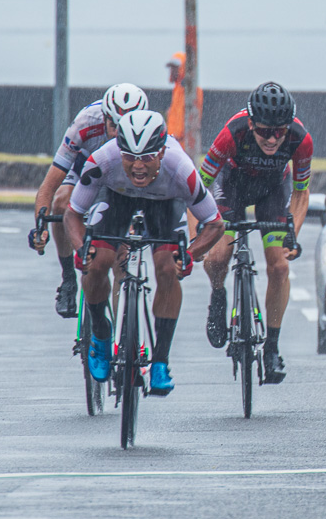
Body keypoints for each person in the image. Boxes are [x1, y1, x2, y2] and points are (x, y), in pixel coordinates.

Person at [65, 111, 225, 394]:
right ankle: (101, 337)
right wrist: (80, 250)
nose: (138, 166)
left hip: (164, 203)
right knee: (96, 262)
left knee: (167, 269)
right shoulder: (102, 160)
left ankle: (160, 361)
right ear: (119, 150)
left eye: (147, 157)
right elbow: (72, 214)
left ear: (162, 152)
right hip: (116, 197)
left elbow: (214, 224)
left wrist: (190, 254)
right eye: (130, 157)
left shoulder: (181, 169)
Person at [198, 81, 312, 382]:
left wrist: (292, 234)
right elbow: (199, 186)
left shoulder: (301, 140)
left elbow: (301, 194)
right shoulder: (232, 133)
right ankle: (219, 294)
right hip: (231, 185)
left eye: (279, 131)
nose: (273, 139)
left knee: (279, 267)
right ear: (251, 123)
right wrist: (201, 227)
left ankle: (272, 347)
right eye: (264, 131)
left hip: (271, 190)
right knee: (219, 255)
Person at [28, 83, 149, 317]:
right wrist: (40, 228)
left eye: (124, 128)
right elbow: (49, 187)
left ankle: (119, 338)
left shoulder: (148, 131)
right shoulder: (85, 123)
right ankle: (68, 279)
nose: (117, 134)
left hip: (123, 176)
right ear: (104, 117)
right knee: (61, 202)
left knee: (121, 256)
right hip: (85, 167)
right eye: (113, 125)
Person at [165, 52, 204, 146]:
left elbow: (193, 119)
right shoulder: (177, 89)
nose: (172, 71)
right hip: (173, 142)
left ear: (183, 68)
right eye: (172, 68)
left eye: (175, 67)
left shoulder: (192, 91)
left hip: (185, 143)